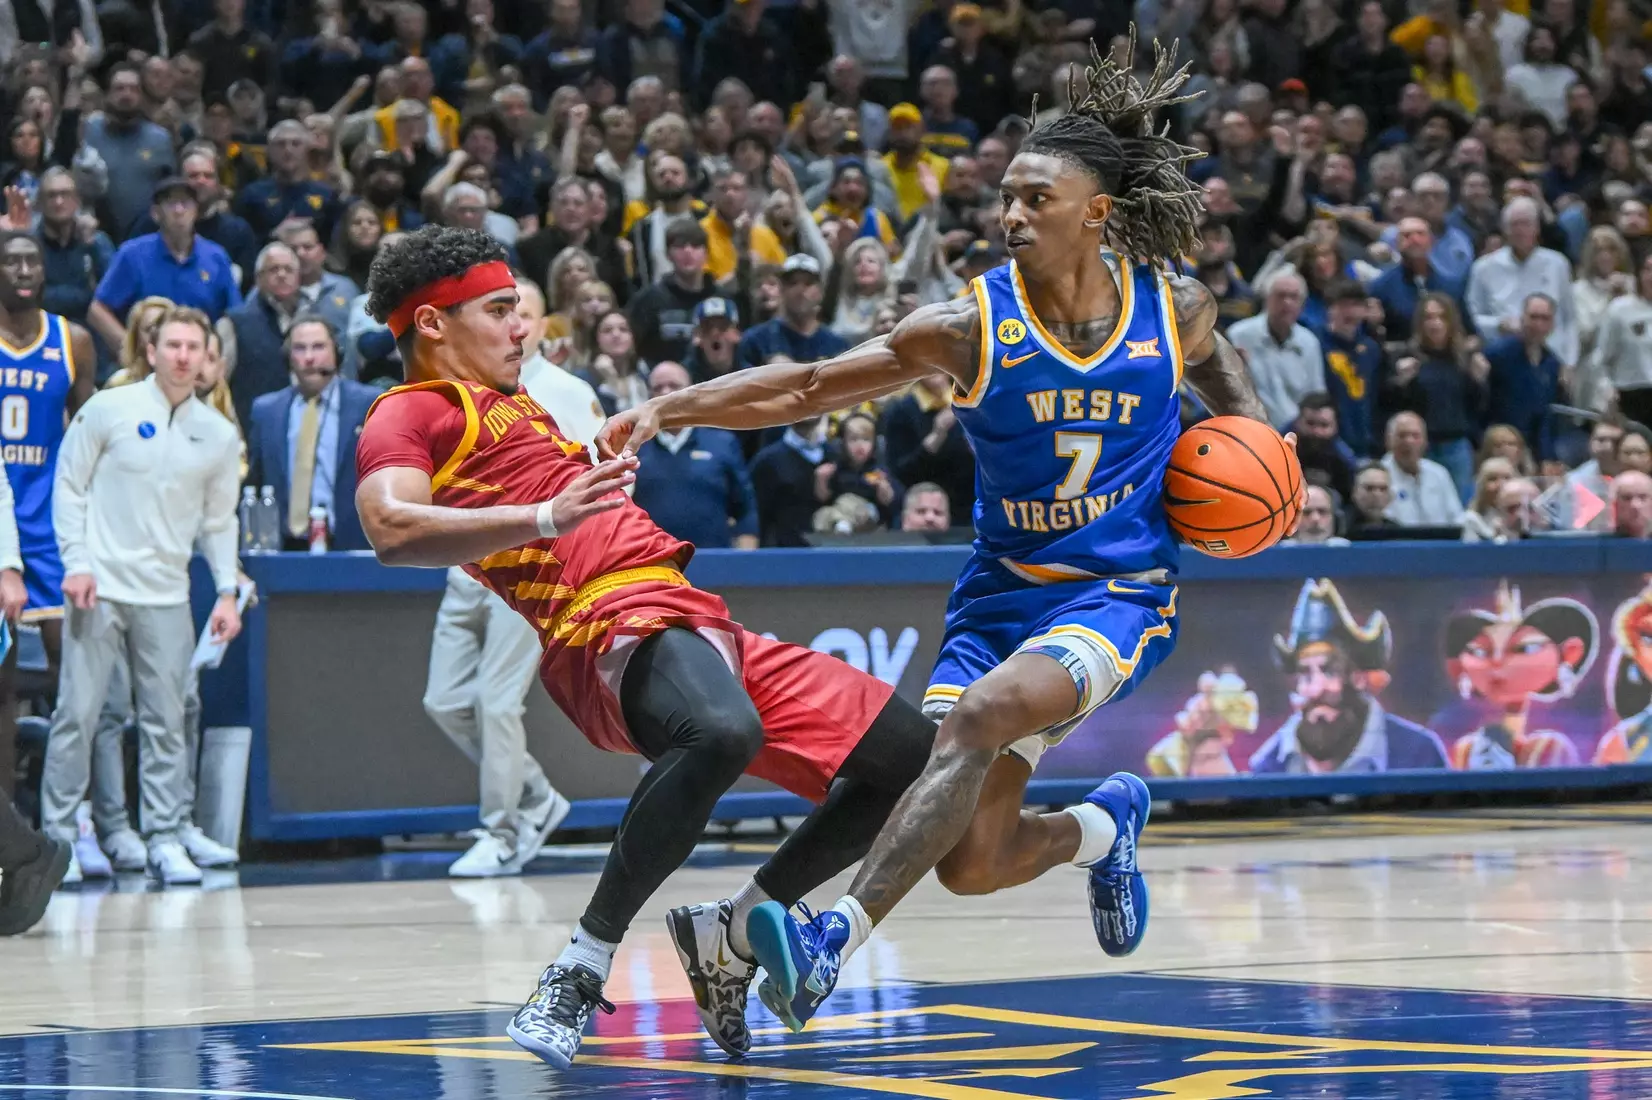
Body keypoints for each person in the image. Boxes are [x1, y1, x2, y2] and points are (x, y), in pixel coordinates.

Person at [599, 39, 1289, 1033]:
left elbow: (1222, 371)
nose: (1008, 214)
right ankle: (1102, 826)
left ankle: (829, 936)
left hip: (1116, 594)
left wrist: (1261, 451)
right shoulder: (966, 328)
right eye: (1003, 195)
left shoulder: (1169, 305)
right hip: (998, 597)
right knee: (970, 859)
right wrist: (675, 408)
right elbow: (803, 384)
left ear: (1094, 211)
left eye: (1033, 199)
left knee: (969, 722)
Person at [352, 225, 941, 1067]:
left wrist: (605, 448)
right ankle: (580, 965)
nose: (523, 328)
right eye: (499, 311)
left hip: (692, 616)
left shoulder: (517, 402)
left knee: (915, 768)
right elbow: (390, 525)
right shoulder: (408, 410)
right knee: (722, 733)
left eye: (520, 310)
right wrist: (547, 516)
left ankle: (732, 933)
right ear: (432, 324)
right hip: (603, 626)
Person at [41, 306, 242, 885]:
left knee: (166, 721)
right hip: (98, 588)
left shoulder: (218, 434)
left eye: (193, 347)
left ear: (207, 357)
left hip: (167, 595)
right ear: (149, 351)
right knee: (76, 715)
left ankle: (164, 835)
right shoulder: (109, 408)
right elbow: (69, 485)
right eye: (172, 345)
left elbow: (219, 522)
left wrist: (226, 592)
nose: (182, 356)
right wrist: (76, 564)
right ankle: (59, 839)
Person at [0, 229, 96, 816]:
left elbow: (86, 438)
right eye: (10, 260)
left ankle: (72, 814)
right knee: (4, 689)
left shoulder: (73, 340)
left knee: (74, 681)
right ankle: (8, 823)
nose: (24, 269)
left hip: (50, 523)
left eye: (32, 258)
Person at [244, 317, 376, 552]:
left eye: (318, 347)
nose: (309, 358)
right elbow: (255, 481)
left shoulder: (369, 404)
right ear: (288, 358)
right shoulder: (266, 411)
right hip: (284, 548)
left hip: (352, 548)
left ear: (337, 352)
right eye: (299, 348)